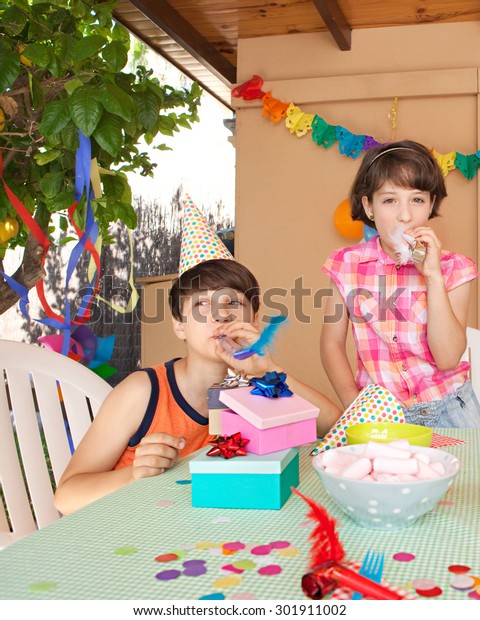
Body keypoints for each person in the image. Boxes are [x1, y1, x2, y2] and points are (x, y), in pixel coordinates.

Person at [55, 201, 341, 515]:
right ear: (179, 325)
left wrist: (268, 369)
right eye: (202, 305)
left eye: (232, 301)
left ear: (254, 319)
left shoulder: (258, 386)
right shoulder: (143, 392)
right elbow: (66, 497)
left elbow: (335, 427)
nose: (220, 315)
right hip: (134, 527)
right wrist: (134, 473)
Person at [320, 139, 480, 428]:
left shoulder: (454, 268)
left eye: (417, 199)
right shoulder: (345, 265)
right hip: (381, 415)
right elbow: (331, 344)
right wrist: (358, 409)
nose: (405, 214)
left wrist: (432, 276)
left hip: (451, 412)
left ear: (431, 204)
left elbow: (447, 359)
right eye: (389, 200)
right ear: (369, 206)